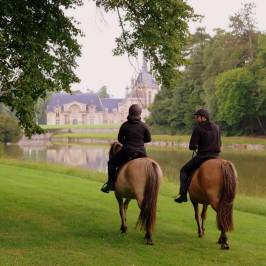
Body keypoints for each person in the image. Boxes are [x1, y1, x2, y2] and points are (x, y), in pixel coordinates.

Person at [101, 104, 151, 193]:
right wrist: (139, 143)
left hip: (127, 151)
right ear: (139, 113)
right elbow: (148, 139)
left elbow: (120, 139)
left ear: (130, 113)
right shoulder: (144, 126)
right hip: (142, 152)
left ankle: (110, 184)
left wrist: (128, 143)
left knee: (111, 163)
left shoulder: (125, 125)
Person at [174, 108, 222, 203]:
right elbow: (219, 143)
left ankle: (183, 194)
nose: (196, 119)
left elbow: (192, 146)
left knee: (183, 171)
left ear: (203, 117)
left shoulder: (198, 128)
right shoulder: (217, 127)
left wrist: (195, 146)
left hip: (203, 157)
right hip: (216, 157)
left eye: (197, 117)